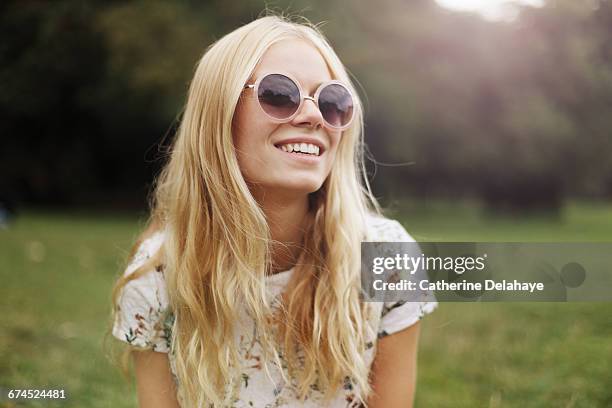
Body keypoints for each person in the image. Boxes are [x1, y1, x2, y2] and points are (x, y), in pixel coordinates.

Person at [110, 14, 437, 408]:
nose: (315, 116)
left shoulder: (386, 256)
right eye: (280, 95)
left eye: (333, 101)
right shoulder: (160, 274)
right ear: (220, 114)